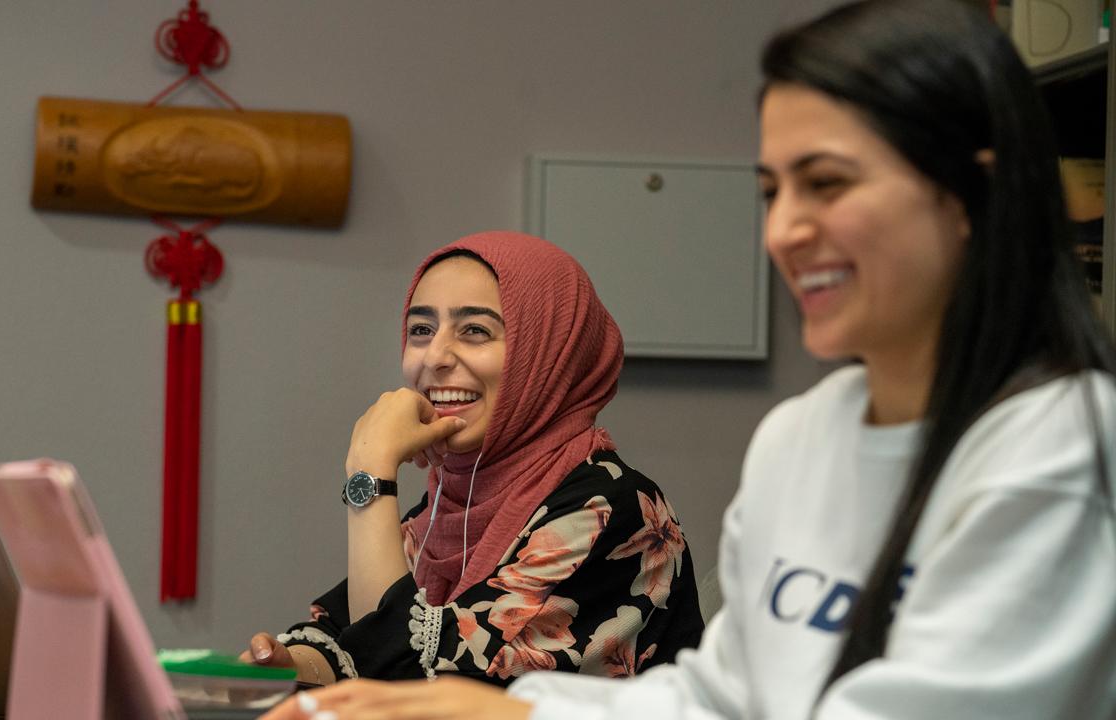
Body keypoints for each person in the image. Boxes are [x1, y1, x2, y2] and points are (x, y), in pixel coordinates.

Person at [264, 1, 1116, 718]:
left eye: (828, 183)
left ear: (972, 194)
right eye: (772, 192)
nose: (784, 231)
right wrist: (510, 709)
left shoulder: (1066, 448)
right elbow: (722, 695)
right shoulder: (800, 436)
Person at [242, 231, 704, 688]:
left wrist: (370, 473)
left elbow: (413, 681)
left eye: (475, 331)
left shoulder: (613, 507)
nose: (435, 357)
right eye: (421, 330)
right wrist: (291, 664)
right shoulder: (445, 504)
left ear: (546, 354)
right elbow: (349, 634)